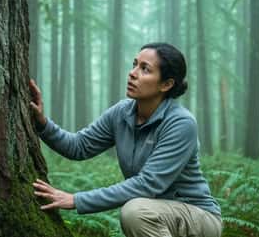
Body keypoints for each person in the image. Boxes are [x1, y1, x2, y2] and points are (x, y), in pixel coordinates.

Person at [29, 42, 222, 237]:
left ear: (166, 84)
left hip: (197, 215)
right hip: (156, 211)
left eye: (145, 69)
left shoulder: (181, 123)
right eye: (135, 64)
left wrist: (76, 200)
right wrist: (42, 123)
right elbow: (79, 146)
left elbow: (147, 184)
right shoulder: (122, 113)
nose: (133, 73)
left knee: (135, 212)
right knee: (137, 210)